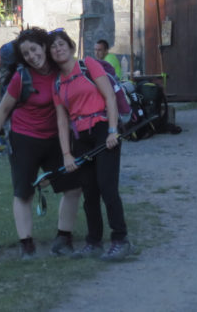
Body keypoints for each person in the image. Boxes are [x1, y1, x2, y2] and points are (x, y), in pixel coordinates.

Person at [0, 28, 82, 259]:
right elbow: (3, 109)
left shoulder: (60, 71)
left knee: (73, 188)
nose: (31, 56)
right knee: (23, 193)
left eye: (34, 50)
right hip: (24, 139)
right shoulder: (22, 76)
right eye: (26, 53)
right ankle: (26, 244)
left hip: (56, 139)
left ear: (44, 48)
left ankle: (63, 238)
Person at [49, 28, 133, 262]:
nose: (58, 49)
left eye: (61, 44)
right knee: (89, 191)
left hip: (103, 130)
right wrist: (66, 153)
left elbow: (109, 97)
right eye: (53, 47)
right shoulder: (57, 83)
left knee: (107, 187)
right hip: (81, 137)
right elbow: (61, 120)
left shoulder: (88, 65)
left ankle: (120, 239)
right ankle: (93, 241)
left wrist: (113, 131)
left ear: (70, 46)